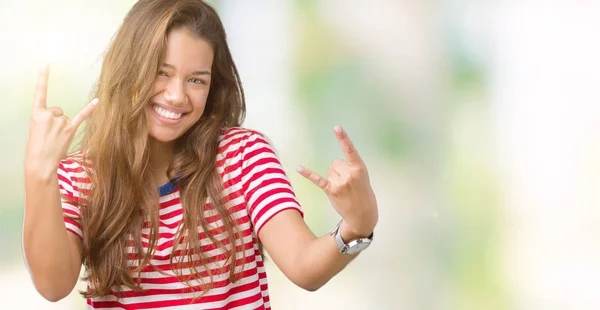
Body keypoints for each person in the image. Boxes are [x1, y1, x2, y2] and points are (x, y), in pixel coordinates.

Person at [22, 0, 378, 309]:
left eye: (197, 80)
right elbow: (53, 286)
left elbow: (304, 265)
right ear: (128, 70)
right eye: (161, 73)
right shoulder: (79, 178)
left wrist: (356, 227)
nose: (177, 96)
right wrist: (40, 173)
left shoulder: (242, 156)